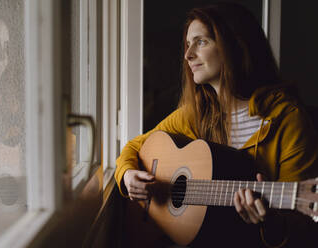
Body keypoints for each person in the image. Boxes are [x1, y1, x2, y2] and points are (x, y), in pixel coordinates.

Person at [115, 2, 318, 247]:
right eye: (188, 44)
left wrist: (272, 222)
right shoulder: (195, 115)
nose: (188, 55)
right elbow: (135, 147)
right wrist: (127, 176)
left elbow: (302, 230)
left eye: (201, 42)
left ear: (235, 45)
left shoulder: (287, 119)